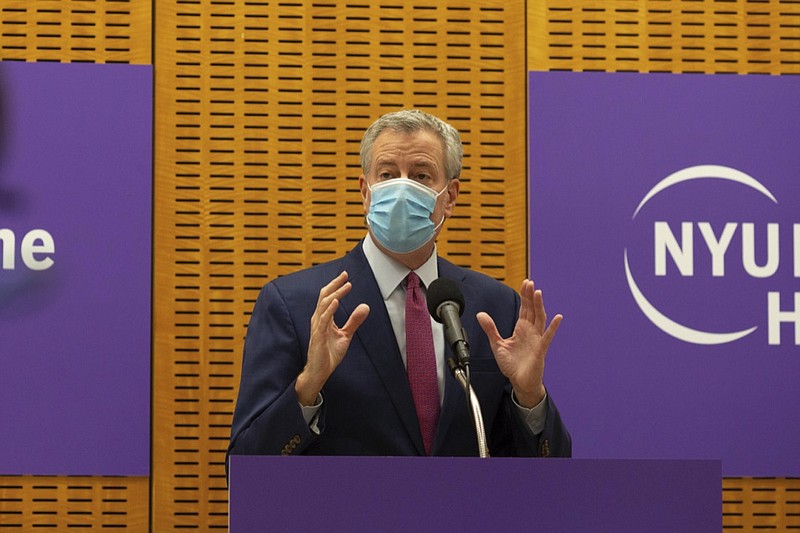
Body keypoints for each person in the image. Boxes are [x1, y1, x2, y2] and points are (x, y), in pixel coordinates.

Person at [227, 109, 570, 462]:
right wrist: (307, 387)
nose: (402, 188)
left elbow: (550, 473)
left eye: (421, 176)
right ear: (366, 191)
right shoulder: (296, 305)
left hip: (464, 516)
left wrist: (530, 397)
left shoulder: (495, 307)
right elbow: (246, 464)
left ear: (449, 197)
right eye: (388, 174)